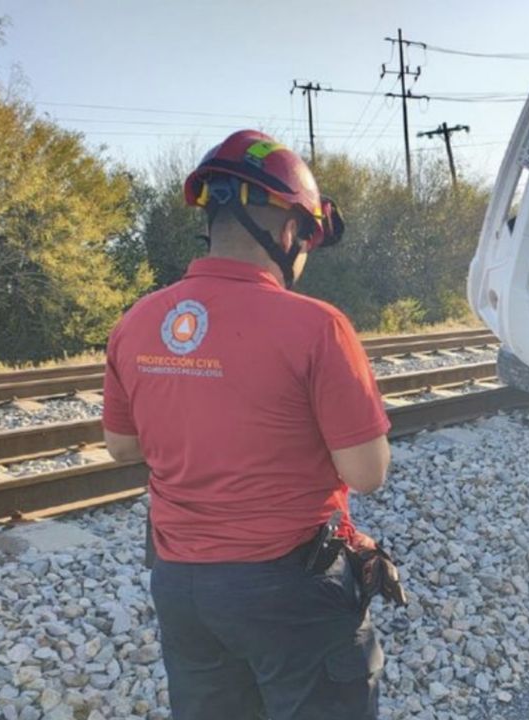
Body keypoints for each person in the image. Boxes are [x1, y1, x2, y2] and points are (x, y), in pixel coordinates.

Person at [102, 130, 394, 719]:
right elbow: (366, 473)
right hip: (288, 585)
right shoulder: (318, 326)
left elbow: (121, 447)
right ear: (288, 229)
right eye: (308, 237)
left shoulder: (137, 322)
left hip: (182, 586)